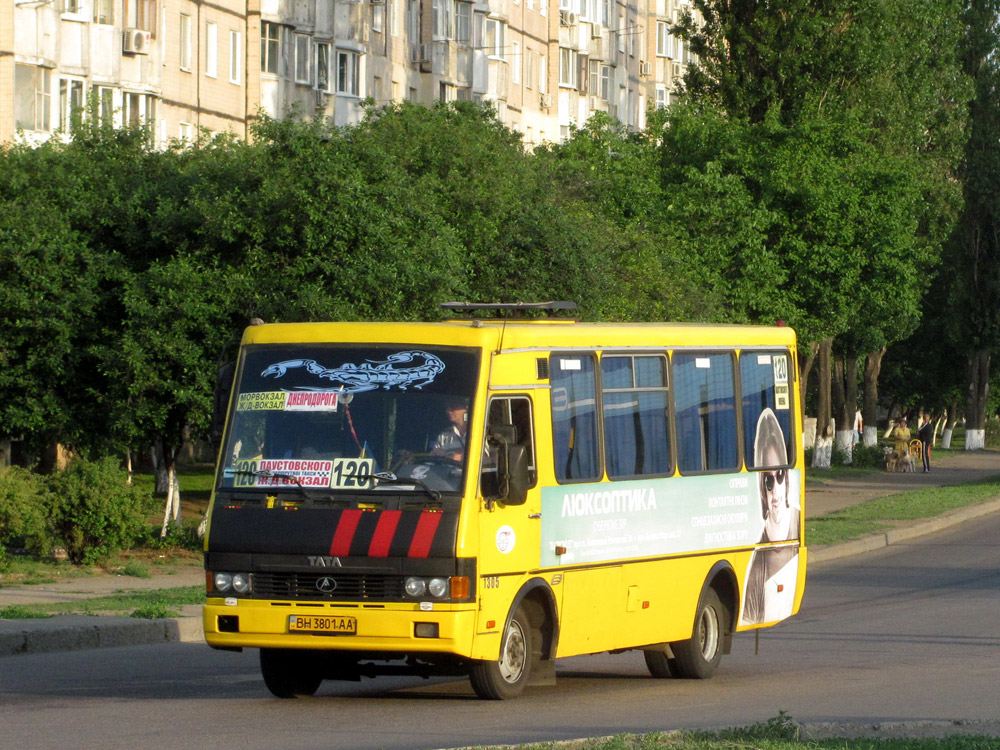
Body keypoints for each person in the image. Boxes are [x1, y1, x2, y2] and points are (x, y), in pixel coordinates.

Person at [742, 408, 799, 626]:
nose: (775, 490)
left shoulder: (796, 525)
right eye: (768, 481)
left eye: (780, 475)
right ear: (762, 491)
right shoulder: (757, 566)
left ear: (787, 478)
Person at [431, 397, 468, 461]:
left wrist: (461, 457)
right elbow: (433, 460)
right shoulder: (443, 436)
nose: (448, 411)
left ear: (466, 409)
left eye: (453, 407)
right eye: (447, 408)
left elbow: (490, 459)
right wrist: (435, 455)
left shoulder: (481, 433)